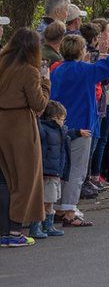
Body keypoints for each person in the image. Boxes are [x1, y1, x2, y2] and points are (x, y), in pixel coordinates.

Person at [50, 32, 109, 227]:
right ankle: (69, 211)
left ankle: (58, 206)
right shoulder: (83, 70)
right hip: (81, 125)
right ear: (80, 50)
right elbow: (107, 66)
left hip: (59, 124)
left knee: (60, 168)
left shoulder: (57, 70)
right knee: (76, 169)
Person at [0, 29, 51, 248]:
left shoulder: (2, 65)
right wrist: (45, 82)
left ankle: (3, 230)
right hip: (19, 126)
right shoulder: (29, 71)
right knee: (23, 180)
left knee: (3, 180)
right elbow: (39, 104)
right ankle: (13, 231)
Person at [34, 101, 88, 239]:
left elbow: (67, 134)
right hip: (47, 172)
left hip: (56, 172)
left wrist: (77, 132)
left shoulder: (61, 130)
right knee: (46, 200)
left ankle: (47, 225)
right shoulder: (43, 130)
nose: (64, 122)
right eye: (62, 119)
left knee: (50, 200)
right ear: (54, 118)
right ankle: (38, 226)